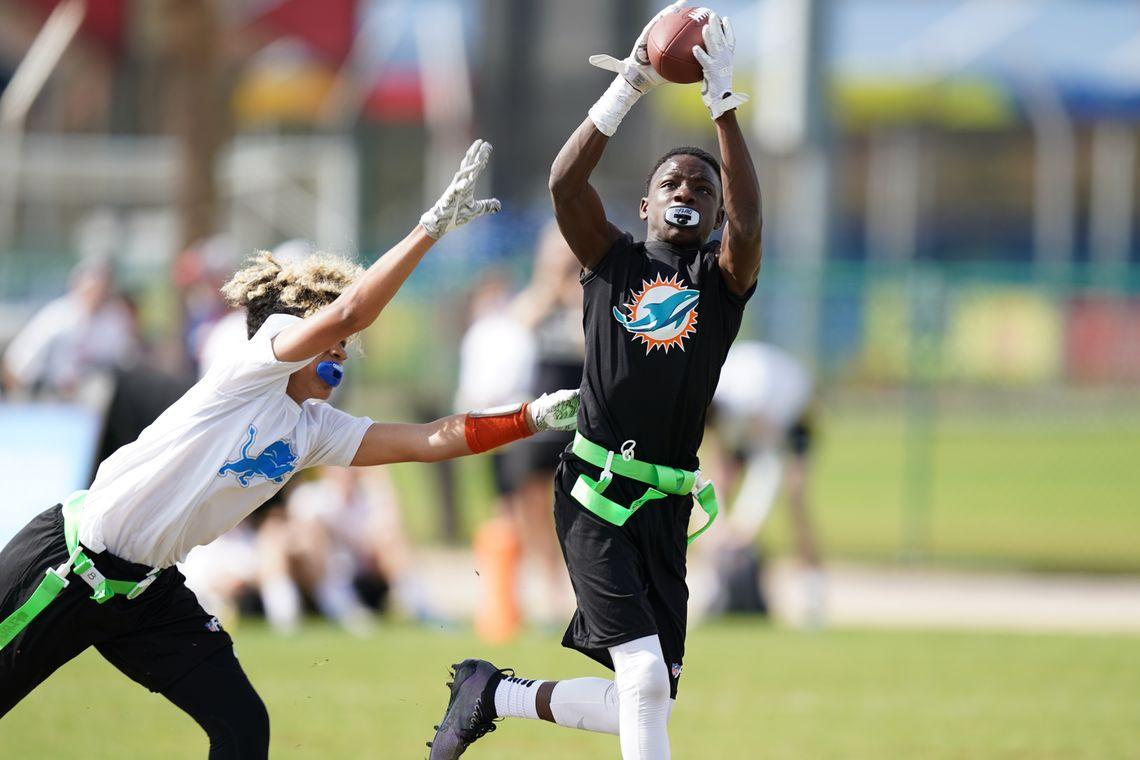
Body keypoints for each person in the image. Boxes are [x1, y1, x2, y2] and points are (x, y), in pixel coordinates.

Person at [0, 140, 579, 759]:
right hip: (68, 568)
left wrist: (532, 416)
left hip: (146, 593)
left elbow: (426, 440)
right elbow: (351, 311)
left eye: (342, 344)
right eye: (327, 333)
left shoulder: (313, 427)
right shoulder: (253, 368)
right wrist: (429, 229)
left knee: (244, 728)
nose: (340, 349)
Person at [428, 5, 762, 759]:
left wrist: (722, 106)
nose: (687, 191)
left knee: (644, 699)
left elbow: (748, 229)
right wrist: (632, 82)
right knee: (642, 681)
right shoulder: (613, 261)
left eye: (703, 189)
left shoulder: (722, 282)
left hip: (667, 505)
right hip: (596, 492)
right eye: (672, 182)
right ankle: (494, 693)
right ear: (645, 204)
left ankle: (493, 694)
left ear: (715, 215)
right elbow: (564, 182)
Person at [704, 341, 822, 625]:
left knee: (795, 496)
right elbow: (714, 474)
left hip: (793, 410)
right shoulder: (711, 396)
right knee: (721, 488)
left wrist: (745, 526)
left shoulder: (755, 405)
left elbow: (768, 467)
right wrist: (719, 528)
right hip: (756, 407)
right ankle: (713, 586)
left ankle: (813, 593)